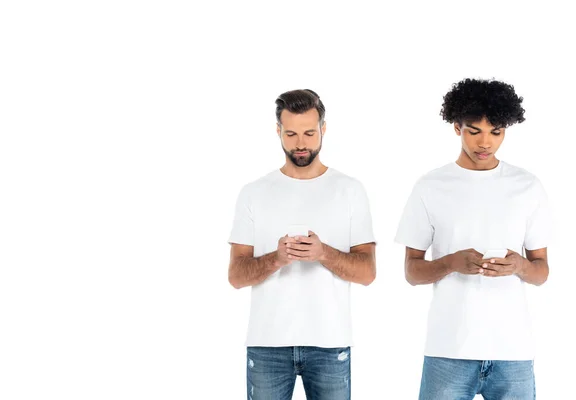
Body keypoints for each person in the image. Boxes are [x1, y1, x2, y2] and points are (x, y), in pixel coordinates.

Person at [395, 78, 551, 400]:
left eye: (496, 132)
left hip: (513, 351)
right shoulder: (431, 186)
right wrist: (451, 262)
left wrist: (520, 266)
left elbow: (541, 271)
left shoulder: (528, 186)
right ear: (457, 127)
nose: (485, 143)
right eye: (474, 131)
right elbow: (412, 271)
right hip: (448, 349)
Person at [228, 89, 376, 399]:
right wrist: (276, 259)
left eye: (309, 132)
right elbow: (236, 276)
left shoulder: (350, 190)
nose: (300, 143)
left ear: (323, 128)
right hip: (267, 344)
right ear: (278, 131)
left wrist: (323, 253)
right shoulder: (253, 193)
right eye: (291, 133)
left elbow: (367, 273)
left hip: (330, 343)